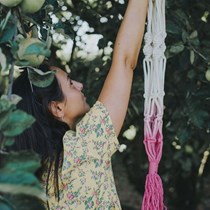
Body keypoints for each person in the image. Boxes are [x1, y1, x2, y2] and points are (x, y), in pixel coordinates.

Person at [12, 0, 148, 209]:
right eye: (70, 83)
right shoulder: (84, 147)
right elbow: (125, 61)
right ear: (57, 108)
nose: (80, 85)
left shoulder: (34, 183)